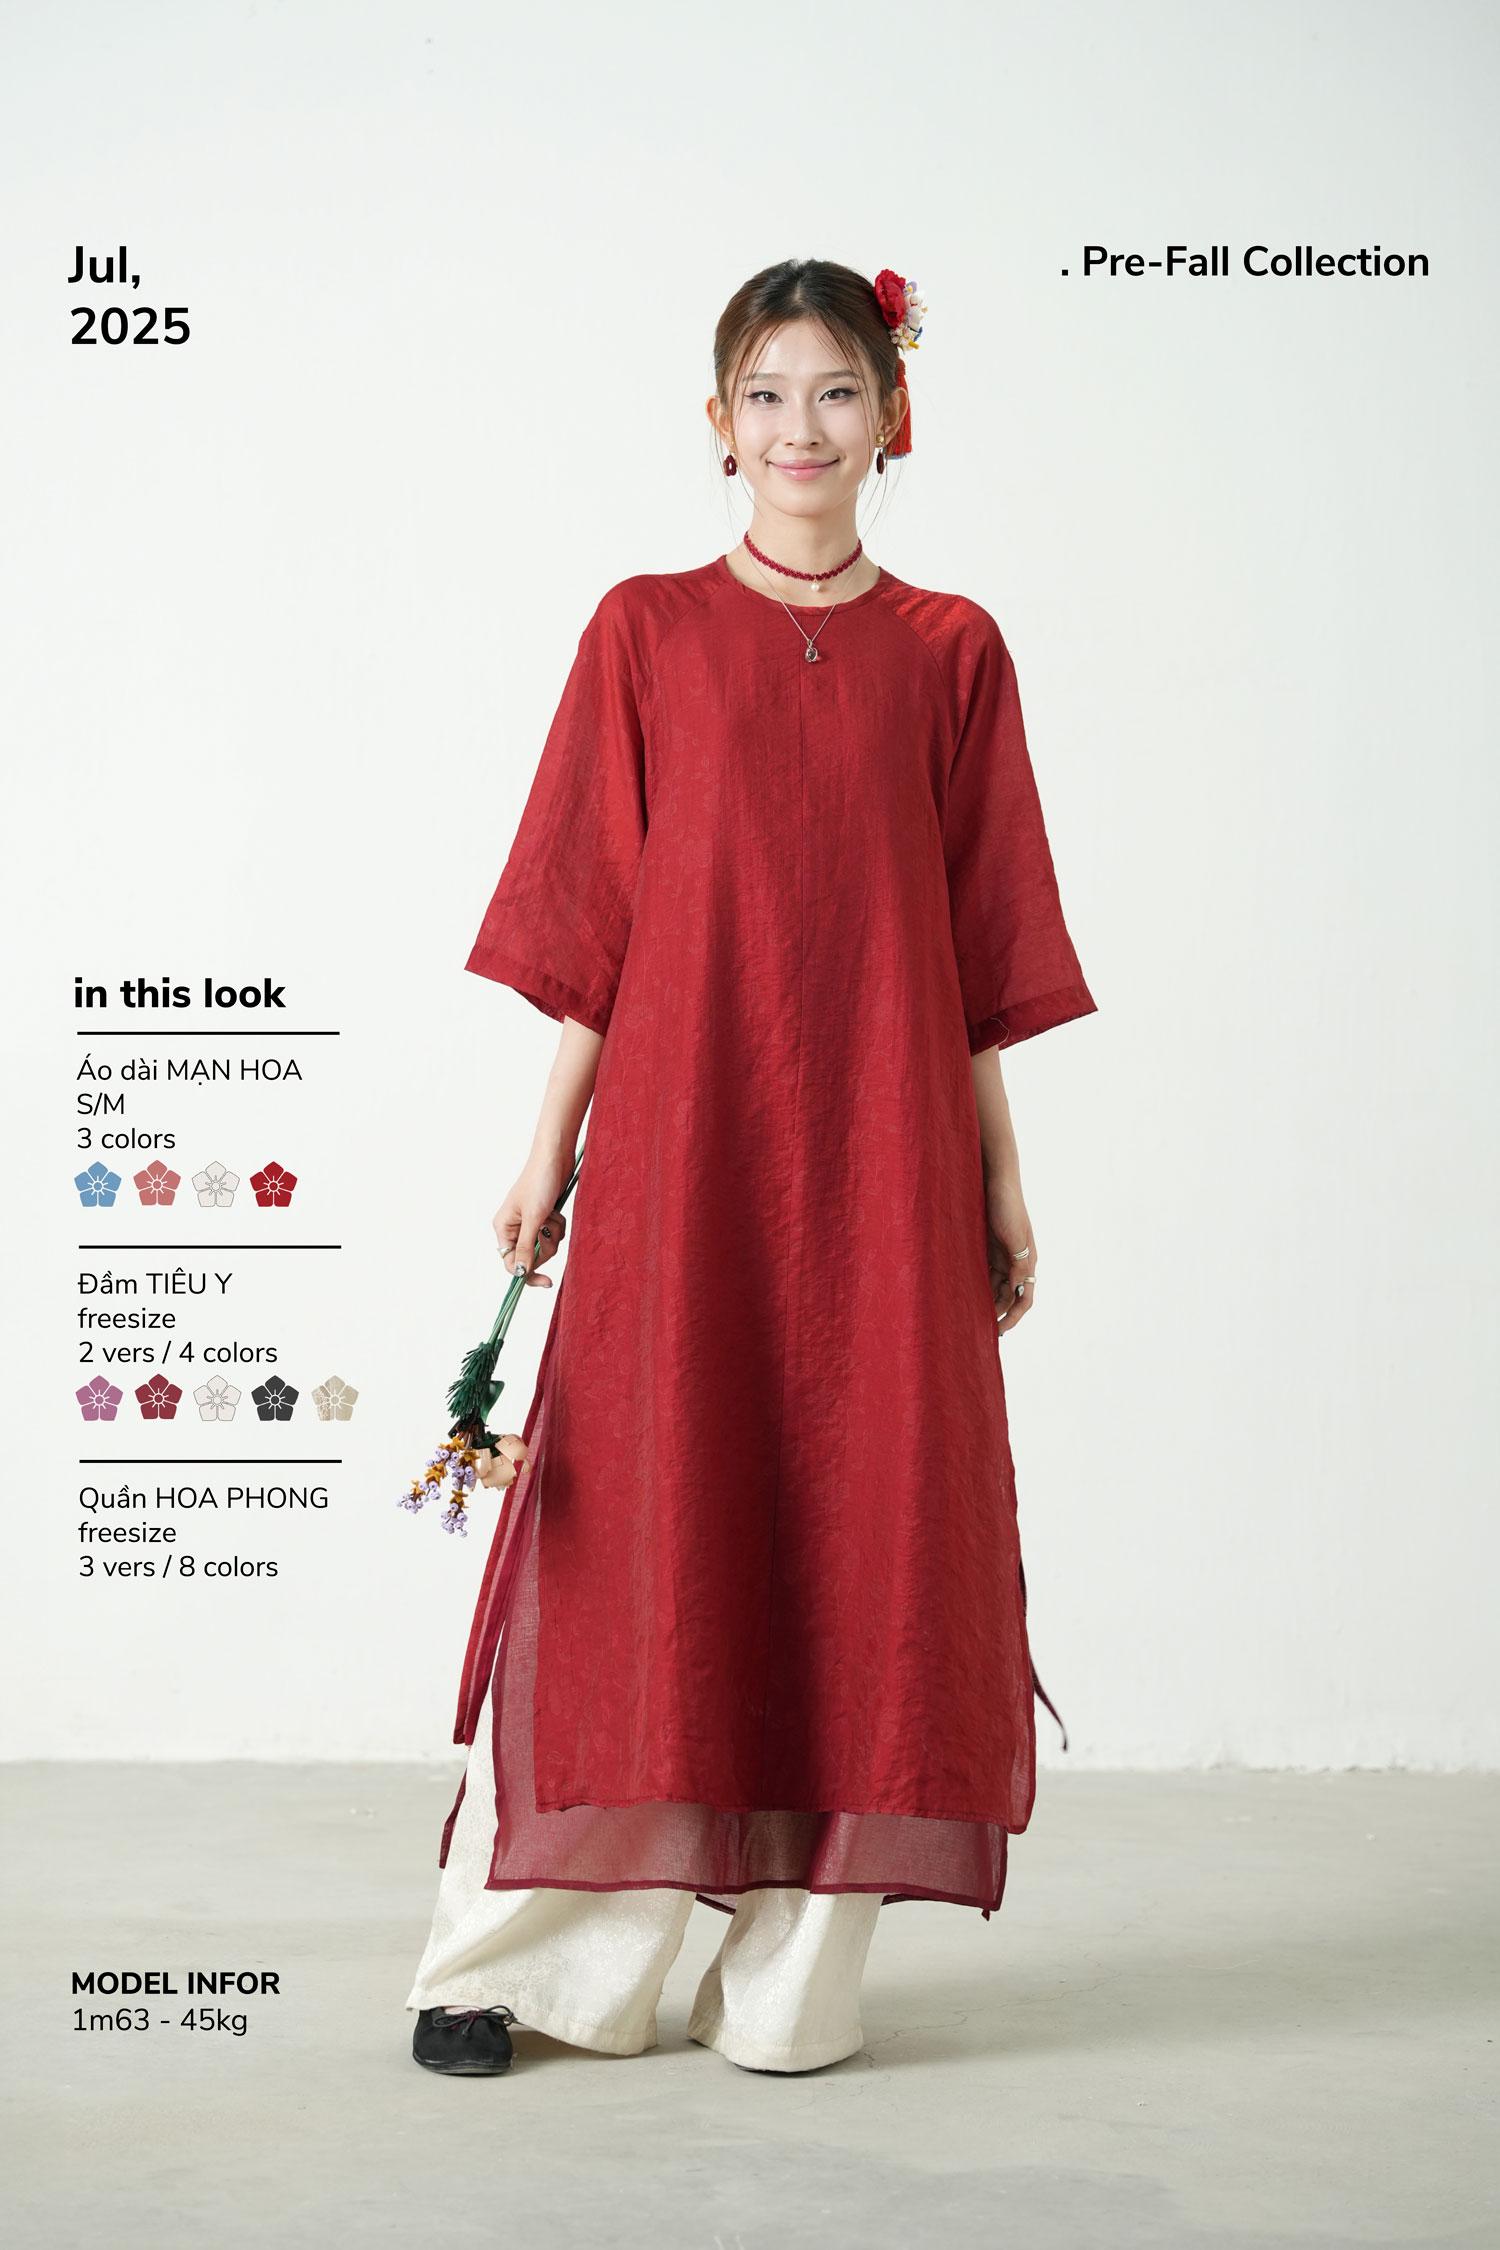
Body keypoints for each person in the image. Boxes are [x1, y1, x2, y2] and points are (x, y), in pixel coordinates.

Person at [405, 257, 1097, 2078]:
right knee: (642, 1529)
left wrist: (999, 1171)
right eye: (769, 394)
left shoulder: (952, 650)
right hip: (684, 1150)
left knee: (869, 1528)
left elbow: (978, 943)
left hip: (883, 1155)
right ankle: (525, 1963)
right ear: (719, 424)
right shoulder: (644, 630)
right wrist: (548, 1151)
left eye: (838, 391)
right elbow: (600, 924)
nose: (804, 427)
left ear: (895, 417)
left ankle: (791, 1980)